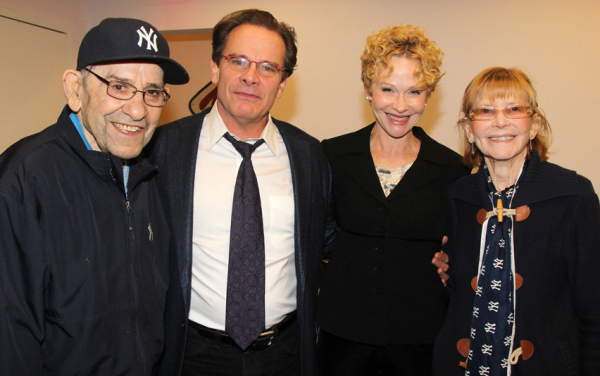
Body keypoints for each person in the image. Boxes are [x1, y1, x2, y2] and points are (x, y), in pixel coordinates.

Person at [146, 9, 334, 376]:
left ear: (282, 84)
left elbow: (328, 240)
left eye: (268, 68)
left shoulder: (309, 156)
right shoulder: (164, 149)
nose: (251, 77)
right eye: (239, 61)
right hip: (191, 353)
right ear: (216, 68)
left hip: (284, 354)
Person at [0, 18, 189, 375]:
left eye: (152, 92)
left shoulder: (147, 177)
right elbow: (11, 338)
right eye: (119, 86)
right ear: (75, 89)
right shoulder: (23, 181)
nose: (137, 111)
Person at [317, 24, 468, 375]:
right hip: (343, 339)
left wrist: (453, 262)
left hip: (420, 342)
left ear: (428, 96)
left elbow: (463, 248)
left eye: (414, 91)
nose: (400, 106)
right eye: (388, 89)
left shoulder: (452, 169)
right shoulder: (332, 156)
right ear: (368, 90)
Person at [432, 67, 600, 375]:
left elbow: (595, 312)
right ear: (469, 130)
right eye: (485, 110)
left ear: (534, 125)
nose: (500, 121)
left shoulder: (573, 195)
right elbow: (457, 294)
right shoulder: (459, 196)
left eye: (514, 109)